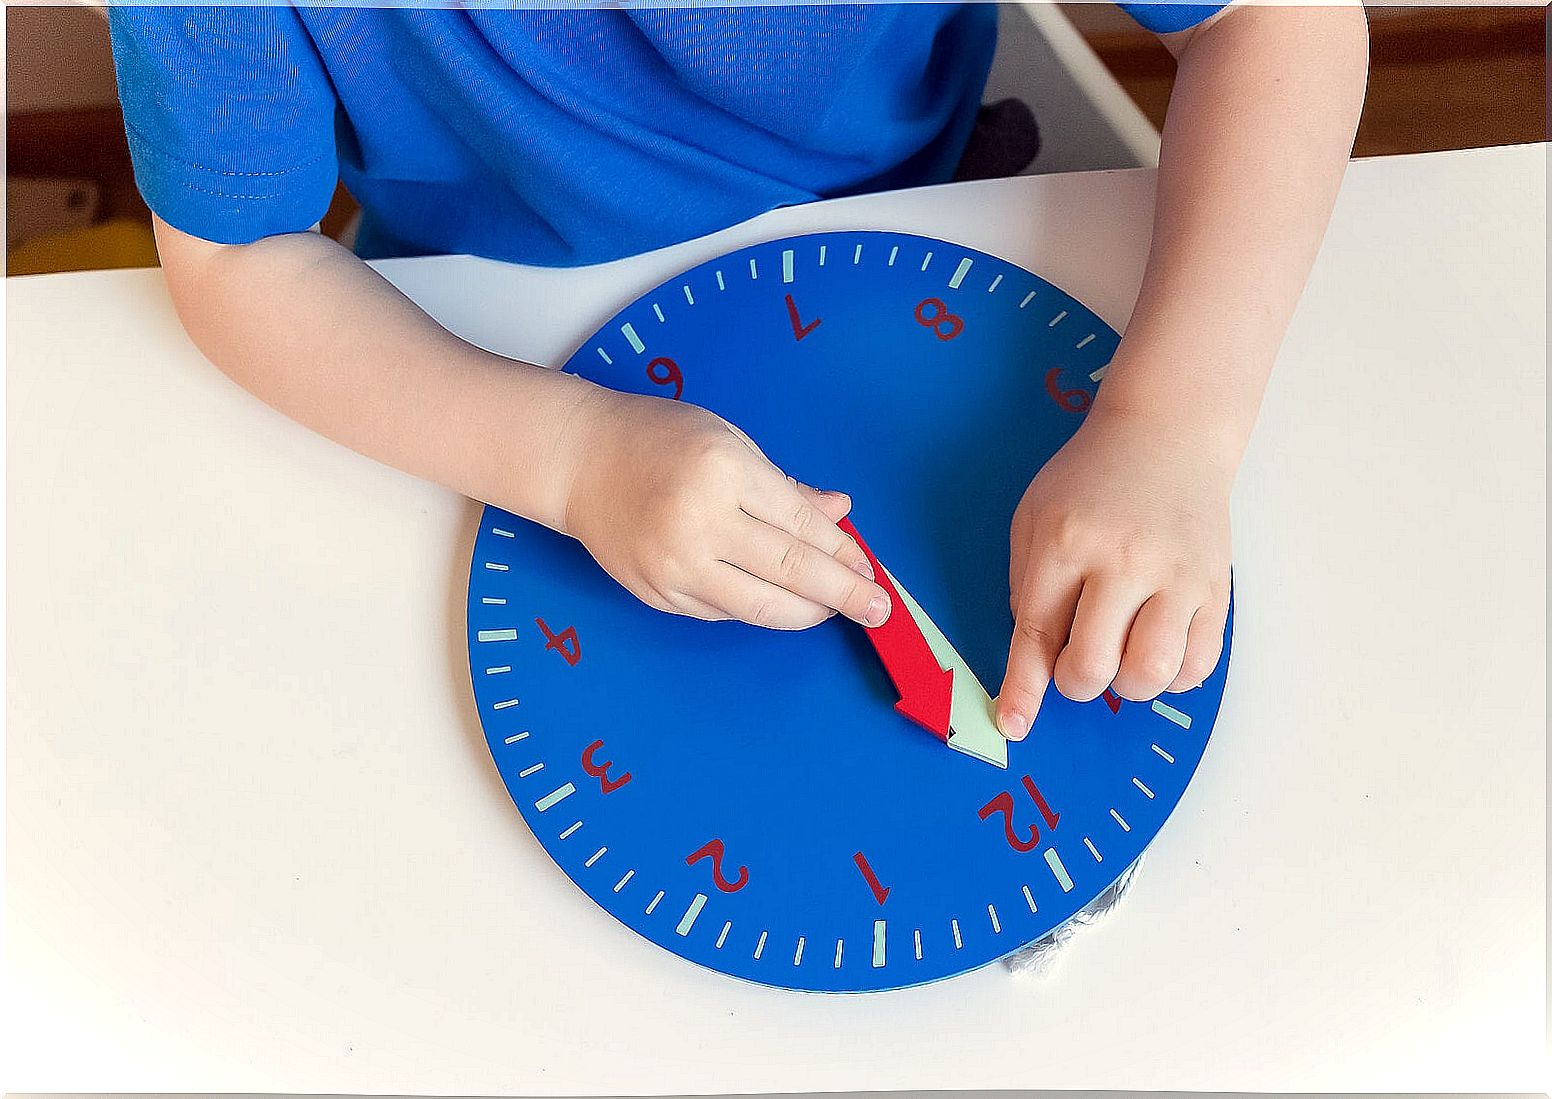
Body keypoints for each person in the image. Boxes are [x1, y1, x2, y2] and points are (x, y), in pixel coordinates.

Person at [106, 1, 1369, 740]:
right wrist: (566, 453)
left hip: (921, 229)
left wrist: (1172, 423)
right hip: (478, 330)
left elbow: (1278, 19)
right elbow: (235, 264)